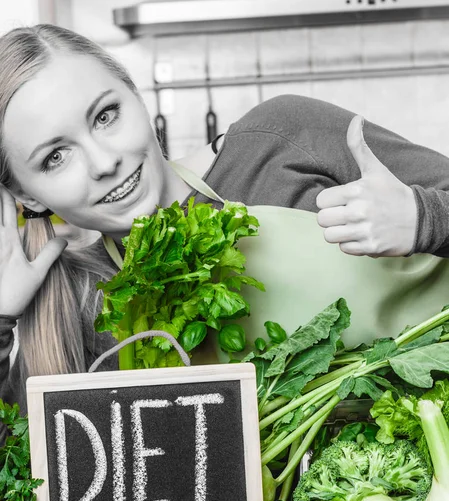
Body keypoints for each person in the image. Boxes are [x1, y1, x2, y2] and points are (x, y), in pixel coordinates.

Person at [1, 24, 449, 445]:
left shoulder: (280, 138)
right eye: (56, 157)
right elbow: (31, 479)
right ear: (27, 196)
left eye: (106, 115)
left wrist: (424, 218)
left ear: (137, 97)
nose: (103, 162)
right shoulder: (89, 308)